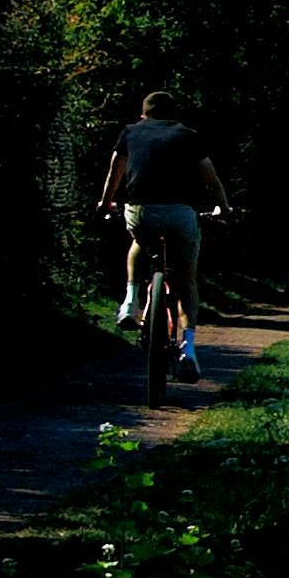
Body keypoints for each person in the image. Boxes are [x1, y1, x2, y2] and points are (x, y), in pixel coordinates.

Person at [97, 91, 230, 381]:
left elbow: (114, 172)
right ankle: (189, 350)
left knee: (138, 243)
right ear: (173, 114)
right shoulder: (188, 135)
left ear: (143, 114)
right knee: (186, 281)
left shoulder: (130, 132)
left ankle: (130, 302)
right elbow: (211, 177)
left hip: (141, 211)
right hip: (181, 215)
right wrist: (223, 207)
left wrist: (106, 202)